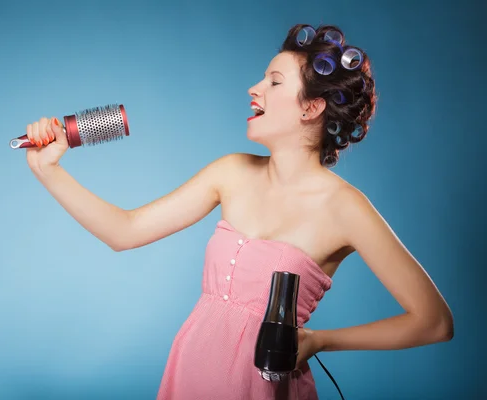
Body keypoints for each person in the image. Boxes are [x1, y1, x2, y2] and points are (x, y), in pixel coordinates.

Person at [23, 24, 454, 400]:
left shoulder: (346, 207)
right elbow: (124, 231)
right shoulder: (231, 172)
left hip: (266, 383)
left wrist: (319, 341)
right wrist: (49, 170)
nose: (255, 88)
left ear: (311, 107)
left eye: (274, 82)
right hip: (191, 371)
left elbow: (433, 322)